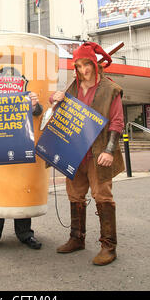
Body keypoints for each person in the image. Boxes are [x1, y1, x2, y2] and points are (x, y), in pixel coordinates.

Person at [50, 41, 124, 266]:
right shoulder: (72, 87)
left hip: (99, 152)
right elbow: (61, 114)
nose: (84, 70)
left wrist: (109, 151)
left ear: (95, 63)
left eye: (87, 64)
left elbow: (118, 122)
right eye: (79, 66)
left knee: (102, 197)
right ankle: (77, 238)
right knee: (74, 195)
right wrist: (55, 100)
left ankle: (108, 247)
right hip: (75, 152)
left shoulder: (111, 89)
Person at [0, 92, 43, 251]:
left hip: (21, 141)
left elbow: (40, 112)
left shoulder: (28, 79)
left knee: (21, 186)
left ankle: (25, 233)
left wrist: (35, 106)